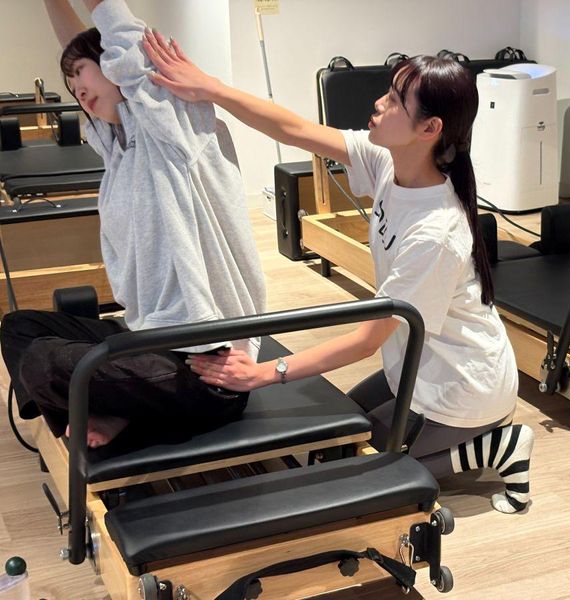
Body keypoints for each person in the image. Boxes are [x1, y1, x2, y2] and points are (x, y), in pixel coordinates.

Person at [144, 33, 533, 513]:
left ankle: (501, 447)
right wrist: (211, 88)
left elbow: (366, 340)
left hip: (464, 389)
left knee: (363, 473)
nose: (379, 103)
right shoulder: (388, 160)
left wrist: (263, 374)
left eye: (395, 100)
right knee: (336, 442)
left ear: (429, 128)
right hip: (415, 366)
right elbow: (294, 129)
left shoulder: (436, 232)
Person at [0, 0, 266, 449]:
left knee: (46, 363)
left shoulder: (175, 130)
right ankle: (104, 410)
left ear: (115, 64)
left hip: (206, 368)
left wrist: (104, 23)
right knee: (17, 327)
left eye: (81, 73)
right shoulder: (117, 147)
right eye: (70, 85)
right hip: (146, 339)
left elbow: (119, 37)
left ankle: (102, 410)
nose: (77, 90)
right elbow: (76, 48)